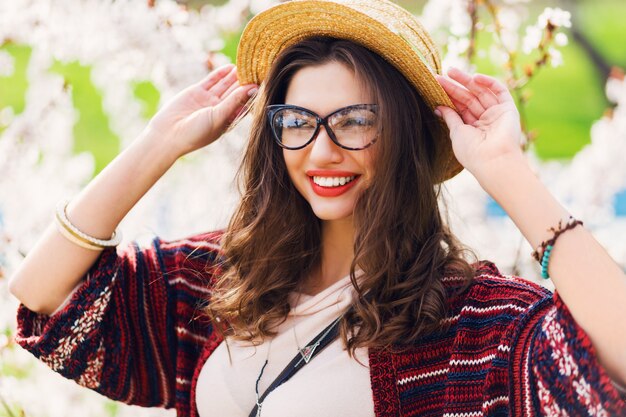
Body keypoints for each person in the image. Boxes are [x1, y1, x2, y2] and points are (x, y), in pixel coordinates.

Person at [8, 0, 626, 416]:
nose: (322, 151)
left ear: (405, 136)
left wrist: (505, 171)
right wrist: (160, 143)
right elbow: (42, 295)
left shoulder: (470, 328)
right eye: (298, 122)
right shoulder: (223, 282)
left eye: (355, 121)